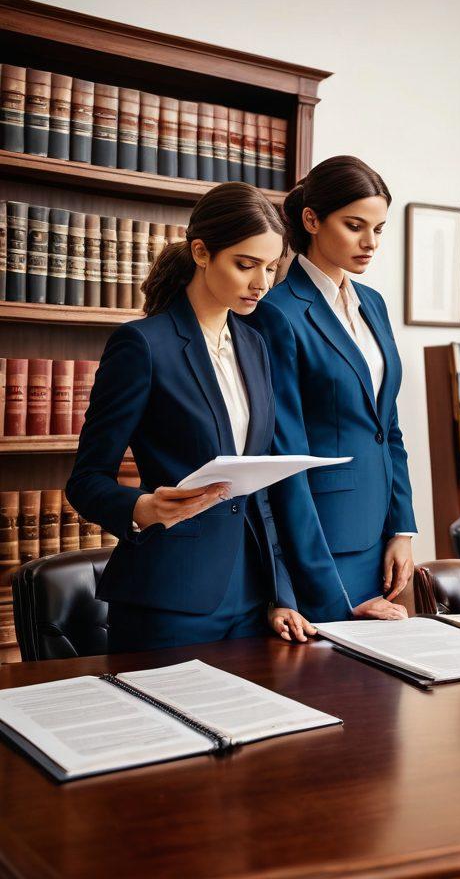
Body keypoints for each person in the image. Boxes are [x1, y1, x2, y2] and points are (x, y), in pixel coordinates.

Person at [67, 182, 315, 652]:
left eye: (269, 267)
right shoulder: (142, 345)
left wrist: (281, 593)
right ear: (202, 252)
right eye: (245, 265)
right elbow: (86, 480)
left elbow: (256, 491)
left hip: (251, 600)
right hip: (168, 602)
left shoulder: (255, 345)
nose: (261, 283)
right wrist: (141, 509)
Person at [245, 156, 414, 623]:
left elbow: (388, 426)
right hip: (320, 544)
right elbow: (282, 457)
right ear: (312, 220)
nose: (370, 242)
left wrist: (402, 528)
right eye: (355, 225)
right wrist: (309, 587)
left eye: (379, 229)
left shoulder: (373, 305)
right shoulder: (278, 312)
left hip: (379, 538)